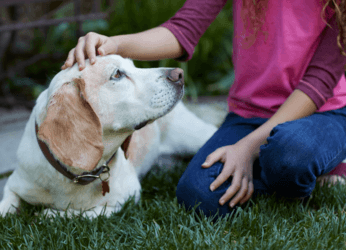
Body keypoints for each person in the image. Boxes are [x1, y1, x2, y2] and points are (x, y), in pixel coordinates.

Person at [62, 0, 346, 218]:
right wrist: (115, 44)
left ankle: (315, 162)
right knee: (197, 195)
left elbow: (317, 86)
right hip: (249, 115)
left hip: (321, 113)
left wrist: (246, 149)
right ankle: (295, 167)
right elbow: (182, 30)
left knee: (290, 154)